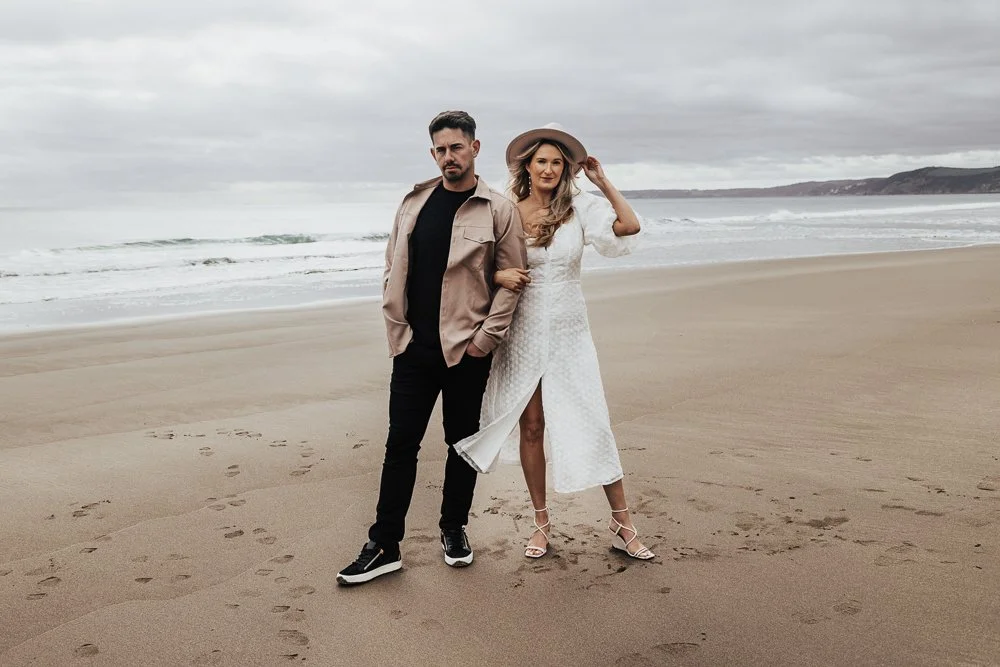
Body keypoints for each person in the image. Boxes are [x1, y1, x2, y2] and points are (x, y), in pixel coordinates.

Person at [337, 111, 527, 585]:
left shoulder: (498, 210)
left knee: (461, 446)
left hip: (466, 350)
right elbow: (392, 266)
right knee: (400, 445)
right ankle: (384, 545)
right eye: (441, 150)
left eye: (457, 148)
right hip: (413, 350)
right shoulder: (413, 202)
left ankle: (454, 527)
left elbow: (513, 281)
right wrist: (395, 330)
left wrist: (486, 340)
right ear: (432, 153)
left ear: (475, 148)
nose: (449, 157)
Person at [452, 123, 653, 560]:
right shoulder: (505, 211)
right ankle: (541, 523)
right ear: (528, 166)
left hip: (569, 329)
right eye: (541, 161)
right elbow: (477, 265)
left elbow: (630, 226)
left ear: (566, 170)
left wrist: (601, 181)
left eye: (556, 163)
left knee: (593, 419)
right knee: (532, 426)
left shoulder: (580, 210)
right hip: (521, 330)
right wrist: (498, 275)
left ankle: (623, 523)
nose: (548, 169)